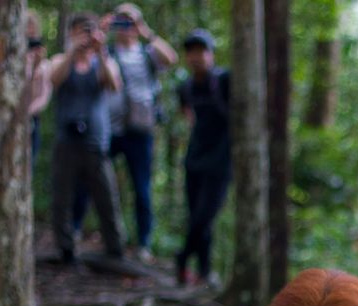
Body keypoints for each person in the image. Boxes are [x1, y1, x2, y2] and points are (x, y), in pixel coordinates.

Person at [72, 3, 177, 263]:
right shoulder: (105, 50)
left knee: (141, 188)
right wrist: (101, 32)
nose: (125, 27)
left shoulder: (146, 52)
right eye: (121, 21)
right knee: (89, 178)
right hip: (110, 128)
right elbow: (82, 60)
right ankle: (75, 230)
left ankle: (143, 243)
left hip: (140, 130)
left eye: (130, 21)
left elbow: (171, 58)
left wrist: (146, 32)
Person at [48, 12, 126, 263]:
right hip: (66, 142)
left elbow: (114, 85)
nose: (86, 36)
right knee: (62, 198)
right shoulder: (61, 60)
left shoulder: (104, 61)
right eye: (82, 31)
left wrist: (101, 52)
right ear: (71, 33)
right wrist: (72, 51)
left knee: (107, 198)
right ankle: (65, 248)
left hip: (96, 143)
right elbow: (53, 80)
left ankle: (115, 249)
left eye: (89, 31)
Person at [175, 29, 230, 287]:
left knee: (204, 217)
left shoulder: (225, 81)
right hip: (194, 161)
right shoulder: (185, 87)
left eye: (201, 51)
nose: (196, 57)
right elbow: (188, 116)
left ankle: (182, 259)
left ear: (211, 54)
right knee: (197, 218)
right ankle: (204, 272)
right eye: (191, 52)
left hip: (220, 163)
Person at [26, 10, 53, 172]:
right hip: (7, 118)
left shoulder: (45, 65)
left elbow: (43, 97)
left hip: (31, 121)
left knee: (29, 168)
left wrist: (36, 64)